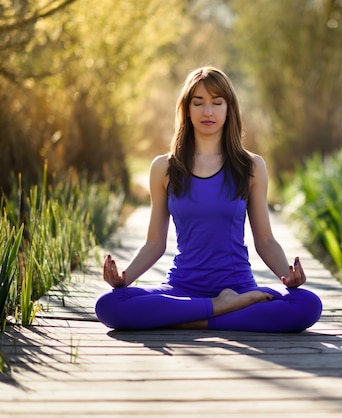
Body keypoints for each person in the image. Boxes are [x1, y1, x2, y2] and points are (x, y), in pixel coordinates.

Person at [95, 66, 322, 332]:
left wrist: (288, 277)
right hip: (183, 287)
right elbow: (154, 243)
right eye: (199, 103)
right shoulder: (164, 168)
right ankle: (221, 309)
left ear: (229, 109)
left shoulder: (250, 166)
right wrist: (124, 279)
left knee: (307, 304)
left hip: (238, 288)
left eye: (217, 103)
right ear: (187, 110)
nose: (208, 112)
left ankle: (190, 318)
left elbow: (265, 240)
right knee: (109, 305)